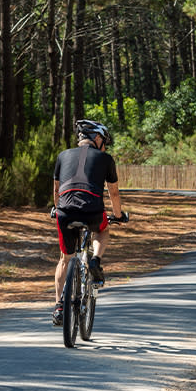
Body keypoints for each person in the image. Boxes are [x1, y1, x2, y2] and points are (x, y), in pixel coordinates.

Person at [50, 119, 127, 325]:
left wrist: (56, 208)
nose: (105, 145)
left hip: (64, 210)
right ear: (98, 138)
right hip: (92, 210)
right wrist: (118, 216)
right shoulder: (105, 158)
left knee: (65, 259)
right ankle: (95, 260)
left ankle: (59, 306)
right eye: (105, 140)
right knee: (102, 230)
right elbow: (114, 193)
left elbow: (57, 189)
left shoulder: (63, 155)